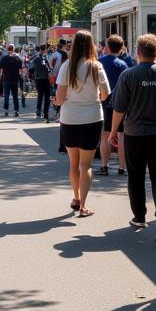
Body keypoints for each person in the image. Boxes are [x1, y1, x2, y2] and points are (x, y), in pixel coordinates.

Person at [109, 34, 156, 244]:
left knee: (136, 177)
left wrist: (114, 131)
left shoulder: (128, 75)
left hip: (135, 134)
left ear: (138, 52)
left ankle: (140, 217)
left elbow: (119, 108)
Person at [55, 30, 111, 217]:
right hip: (92, 118)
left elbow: (60, 98)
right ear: (91, 45)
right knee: (86, 165)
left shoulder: (66, 67)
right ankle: (84, 206)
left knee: (73, 162)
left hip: (69, 118)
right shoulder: (96, 66)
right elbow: (105, 94)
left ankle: (76, 197)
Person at [98, 35, 129, 176]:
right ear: (121, 47)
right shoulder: (124, 64)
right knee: (122, 134)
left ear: (108, 47)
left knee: (105, 135)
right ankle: (122, 167)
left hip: (103, 102)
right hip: (120, 103)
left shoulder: (100, 62)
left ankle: (104, 166)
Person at [0, 43, 23, 116]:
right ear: (13, 49)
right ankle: (16, 111)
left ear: (7, 49)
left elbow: (1, 70)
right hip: (15, 79)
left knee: (6, 96)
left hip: (6, 79)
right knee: (15, 96)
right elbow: (21, 69)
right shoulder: (18, 58)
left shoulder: (4, 58)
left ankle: (6, 110)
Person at [29, 45, 53, 121]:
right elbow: (48, 69)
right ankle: (45, 112)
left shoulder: (35, 59)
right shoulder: (44, 58)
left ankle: (38, 111)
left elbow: (31, 69)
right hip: (45, 79)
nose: (47, 50)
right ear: (44, 50)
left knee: (40, 95)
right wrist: (50, 71)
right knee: (47, 96)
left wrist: (33, 76)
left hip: (37, 79)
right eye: (46, 49)